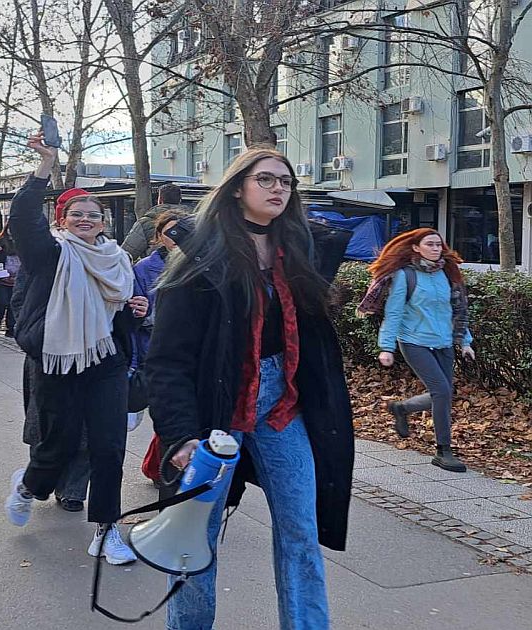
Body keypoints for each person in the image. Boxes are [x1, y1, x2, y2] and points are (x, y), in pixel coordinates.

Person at [146, 148, 354, 630]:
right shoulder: (203, 257)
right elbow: (167, 358)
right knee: (196, 531)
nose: (279, 188)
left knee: (302, 529)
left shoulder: (300, 253)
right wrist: (179, 435)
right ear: (237, 187)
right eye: (266, 179)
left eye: (286, 181)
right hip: (215, 410)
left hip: (283, 406)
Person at [2, 132, 149, 565]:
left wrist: (133, 311)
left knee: (109, 448)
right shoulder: (49, 254)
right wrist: (44, 167)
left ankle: (106, 531)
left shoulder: (117, 261)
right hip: (56, 361)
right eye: (76, 213)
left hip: (105, 363)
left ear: (104, 222)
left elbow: (114, 315)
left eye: (93, 214)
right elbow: (24, 219)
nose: (85, 218)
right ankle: (28, 488)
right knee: (58, 444)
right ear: (64, 220)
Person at [361, 228, 475, 472]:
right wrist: (386, 347)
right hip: (414, 341)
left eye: (438, 245)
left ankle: (401, 408)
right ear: (415, 247)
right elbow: (394, 312)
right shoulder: (406, 275)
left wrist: (465, 341)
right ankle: (444, 451)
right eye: (430, 244)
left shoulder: (448, 273)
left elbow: (459, 310)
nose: (436, 249)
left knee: (443, 394)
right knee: (442, 391)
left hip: (443, 342)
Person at [130, 209, 191, 483]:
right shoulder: (143, 269)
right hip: (150, 353)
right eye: (170, 233)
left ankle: (162, 470)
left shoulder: (200, 265)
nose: (177, 239)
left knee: (175, 417)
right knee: (136, 419)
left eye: (183, 232)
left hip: (189, 356)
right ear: (158, 237)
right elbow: (133, 312)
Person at [121, 182, 190, 261]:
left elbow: (127, 254)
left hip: (155, 270)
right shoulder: (192, 222)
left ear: (160, 200)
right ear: (180, 200)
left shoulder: (145, 222)